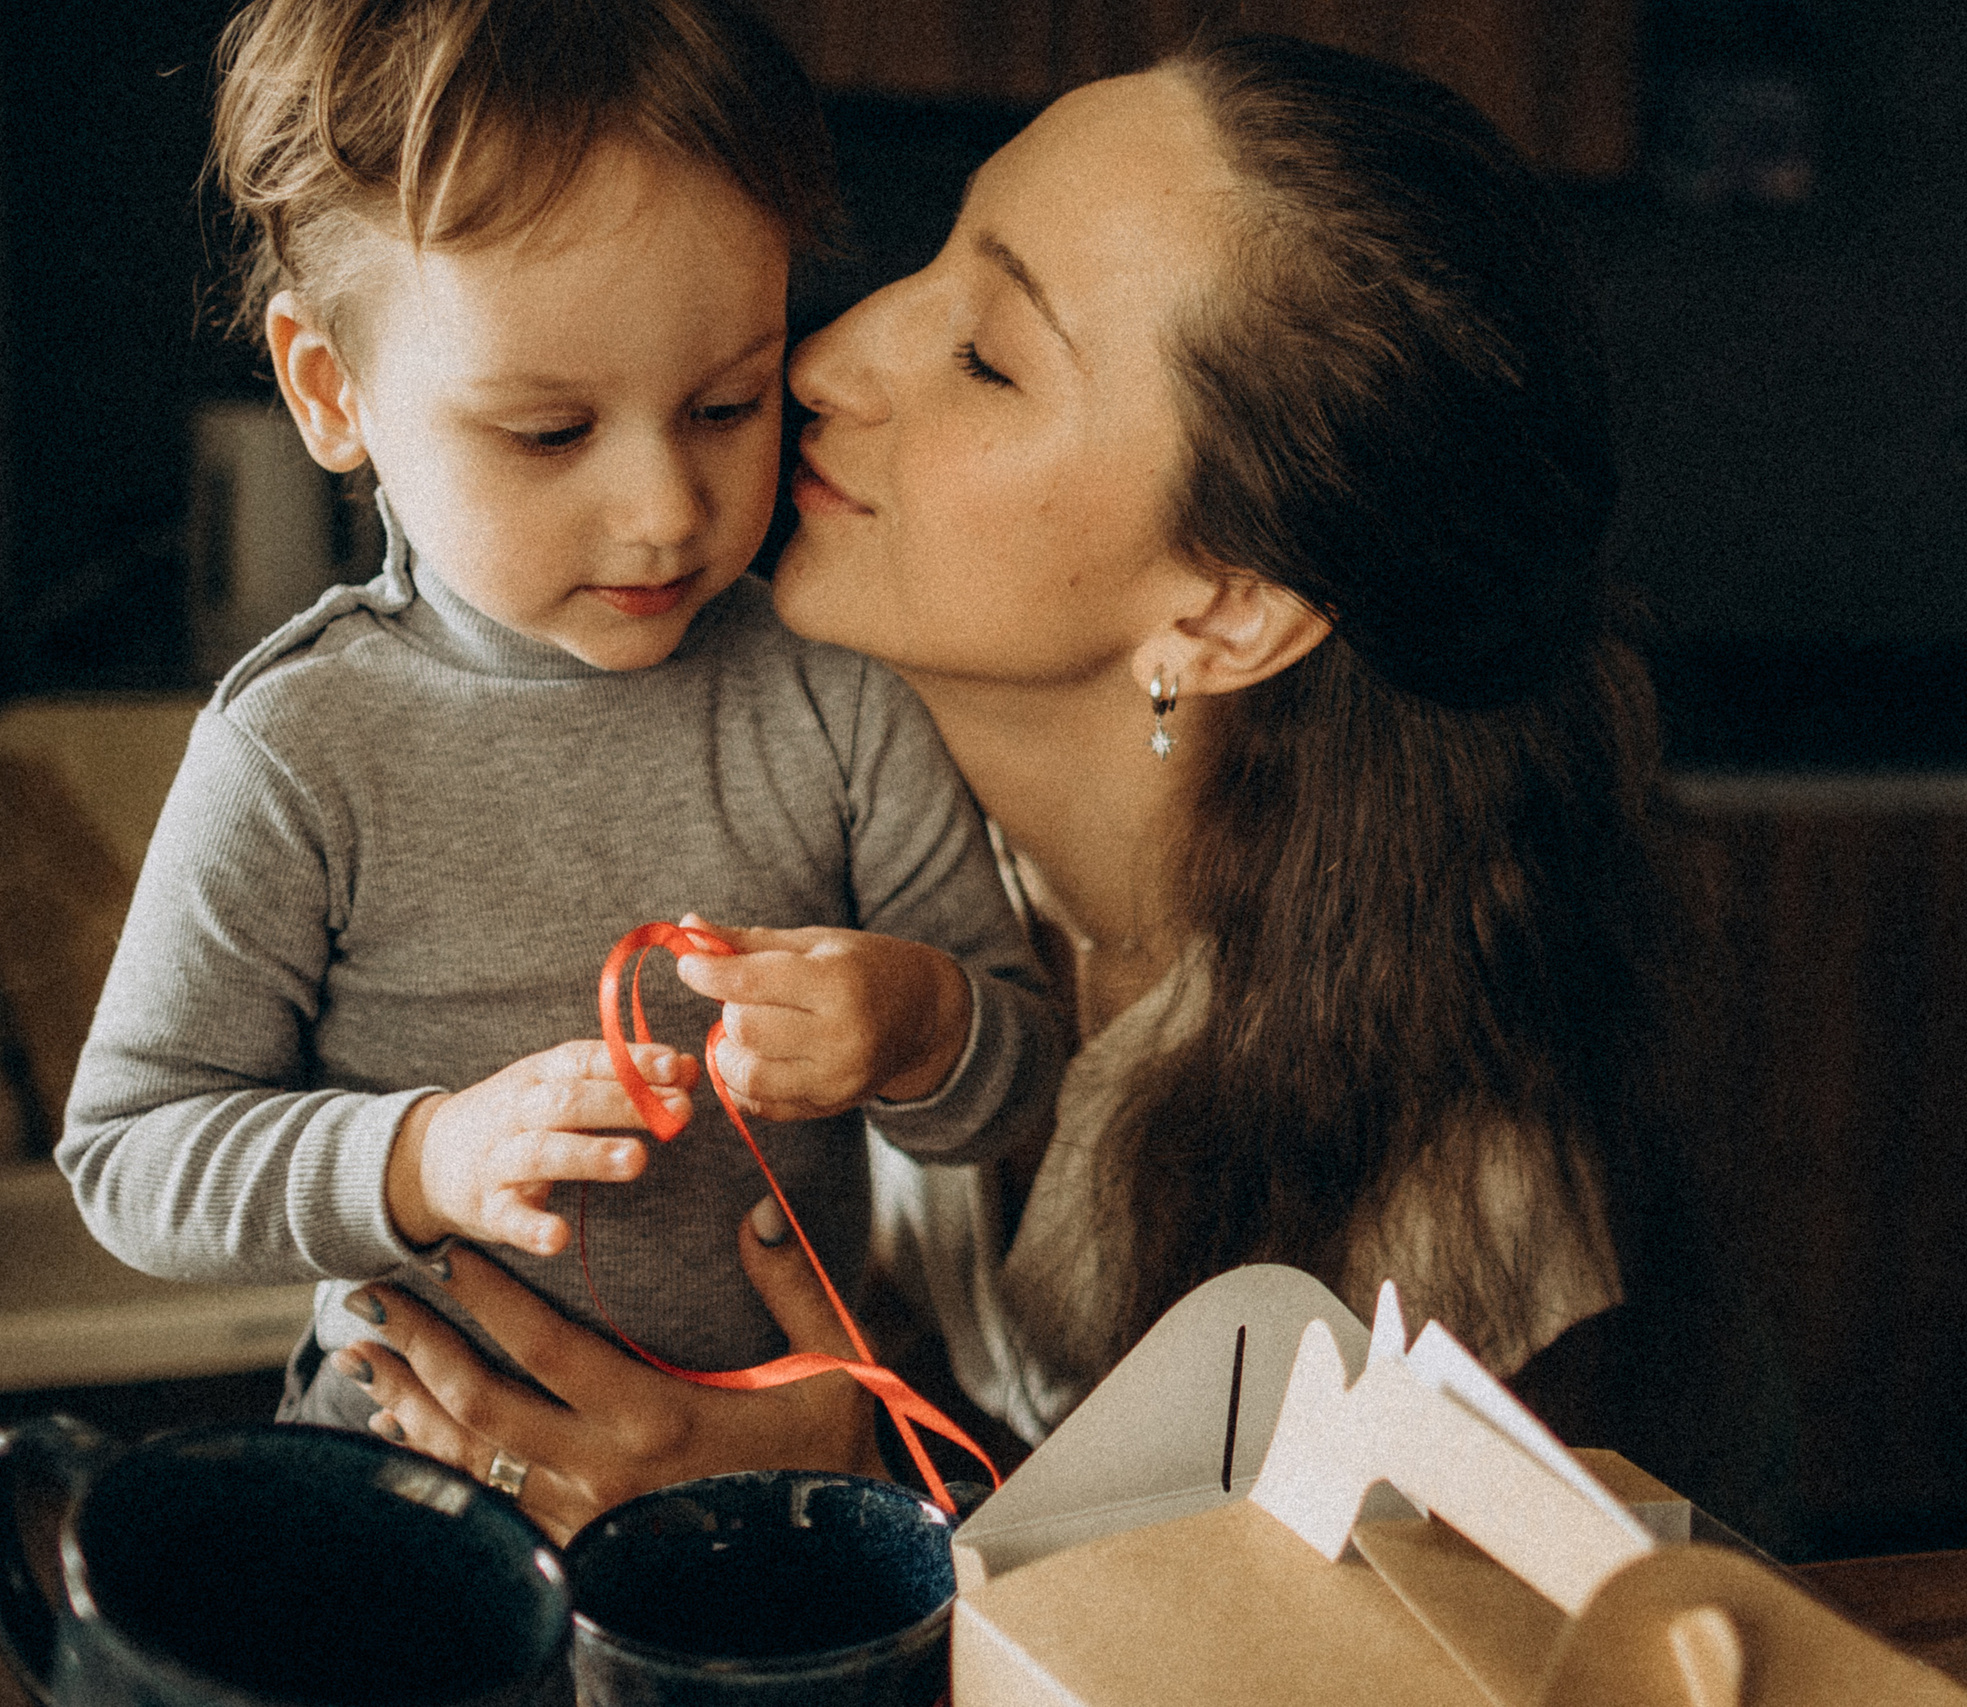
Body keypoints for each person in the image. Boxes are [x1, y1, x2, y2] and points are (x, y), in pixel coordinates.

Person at [330, 34, 1797, 1549]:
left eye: (987, 357)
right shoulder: (846, 821)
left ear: (1224, 607)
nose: (823, 363)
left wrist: (850, 1506)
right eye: (936, 257)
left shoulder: (1460, 1211)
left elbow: (1313, 1648)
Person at [58, 0, 1060, 1457]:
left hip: (773, 1515)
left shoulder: (836, 694)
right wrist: (418, 1159)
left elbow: (1014, 1081)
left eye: (726, 406)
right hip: (410, 1493)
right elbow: (130, 1158)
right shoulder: (301, 746)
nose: (664, 511)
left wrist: (912, 1022)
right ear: (333, 391)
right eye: (550, 433)